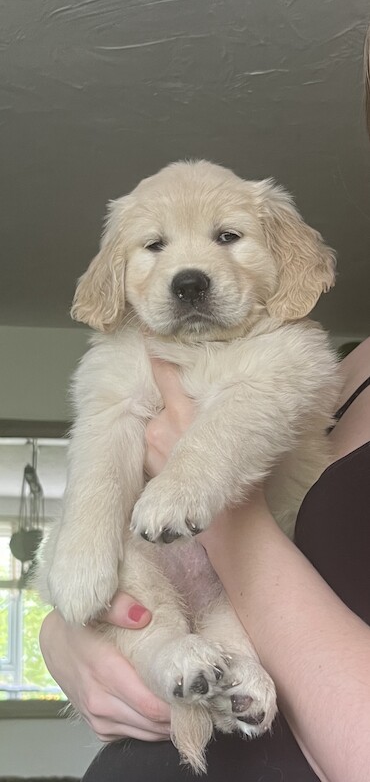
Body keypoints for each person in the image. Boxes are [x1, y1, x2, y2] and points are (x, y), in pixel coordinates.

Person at [39, 42, 370, 782]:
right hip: (145, 688)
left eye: (226, 237)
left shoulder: (289, 348)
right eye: (156, 247)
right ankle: (175, 662)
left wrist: (200, 491)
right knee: (122, 574)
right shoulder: (351, 370)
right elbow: (107, 454)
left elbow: (250, 456)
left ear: (281, 252)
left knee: (225, 625)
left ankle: (222, 673)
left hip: (253, 663)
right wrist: (65, 632)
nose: (191, 272)